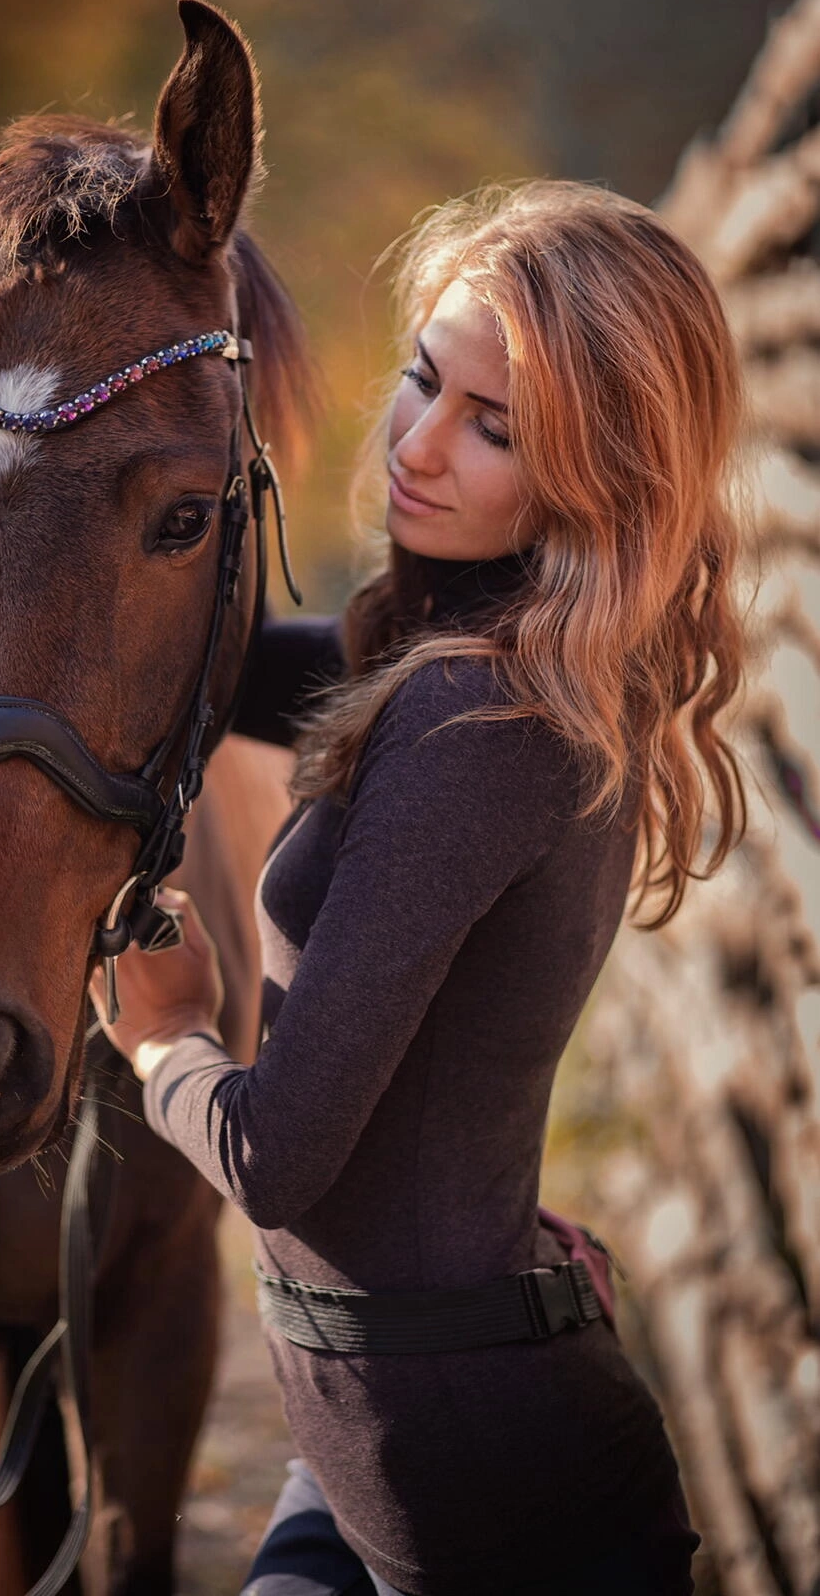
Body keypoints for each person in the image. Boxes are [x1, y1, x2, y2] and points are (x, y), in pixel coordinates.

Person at [93, 180, 748, 1595]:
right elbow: (226, 666)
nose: (419, 444)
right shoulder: (471, 647)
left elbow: (274, 1158)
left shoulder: (477, 720)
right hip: (364, 1446)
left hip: (489, 1499)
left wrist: (163, 1035)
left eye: (493, 428)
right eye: (422, 380)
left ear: (602, 479)